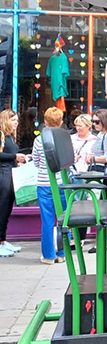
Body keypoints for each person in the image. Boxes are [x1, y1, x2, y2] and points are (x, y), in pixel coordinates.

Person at [31, 107, 66, 264]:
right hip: (61, 183)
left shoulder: (39, 140)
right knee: (63, 218)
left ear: (45, 121)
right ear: (61, 122)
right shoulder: (65, 138)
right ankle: (62, 253)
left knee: (47, 220)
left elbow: (36, 162)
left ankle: (49, 255)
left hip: (44, 183)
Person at [0, 109, 26, 258]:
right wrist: (14, 156)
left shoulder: (10, 137)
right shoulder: (2, 135)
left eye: (17, 120)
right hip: (4, 174)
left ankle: (3, 240)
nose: (16, 123)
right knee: (2, 209)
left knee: (7, 208)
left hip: (11, 173)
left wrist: (18, 159)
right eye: (13, 120)